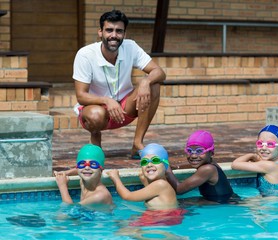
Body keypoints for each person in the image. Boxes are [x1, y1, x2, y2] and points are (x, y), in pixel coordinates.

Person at [72, 9, 166, 159]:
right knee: (96, 115)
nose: (114, 35)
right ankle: (95, 140)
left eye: (119, 31)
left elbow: (159, 72)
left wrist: (145, 81)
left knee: (153, 85)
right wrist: (106, 100)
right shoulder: (85, 55)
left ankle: (137, 143)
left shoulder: (130, 47)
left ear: (124, 34)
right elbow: (81, 96)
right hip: (96, 111)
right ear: (100, 32)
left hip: (124, 108)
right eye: (109, 30)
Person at [107, 143, 185, 226]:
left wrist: (115, 178)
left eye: (155, 160)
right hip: (164, 218)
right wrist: (145, 180)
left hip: (162, 219)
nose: (149, 165)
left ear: (165, 165)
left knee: (122, 229)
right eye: (144, 162)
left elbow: (127, 196)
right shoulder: (160, 184)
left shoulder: (160, 184)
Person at [166, 130, 237, 204]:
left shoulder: (207, 169)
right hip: (224, 200)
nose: (193, 156)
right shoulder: (211, 163)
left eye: (199, 151)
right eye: (189, 151)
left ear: (211, 153)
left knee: (175, 204)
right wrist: (175, 166)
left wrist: (167, 170)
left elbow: (179, 190)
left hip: (222, 204)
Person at [231, 125, 278, 198]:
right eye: (260, 143)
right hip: (276, 200)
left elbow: (235, 164)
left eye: (270, 144)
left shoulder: (269, 166)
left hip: (270, 205)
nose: (264, 148)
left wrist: (251, 155)